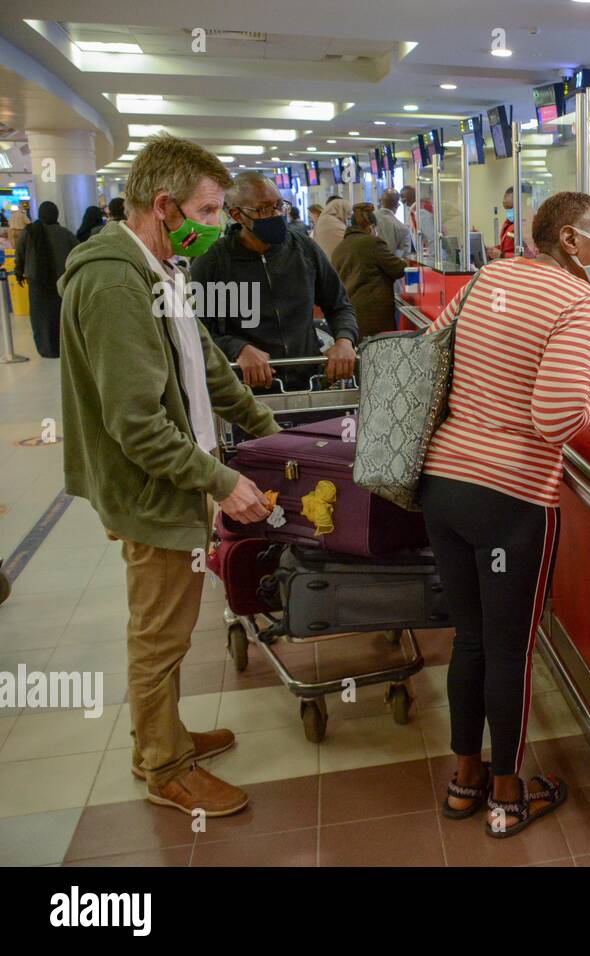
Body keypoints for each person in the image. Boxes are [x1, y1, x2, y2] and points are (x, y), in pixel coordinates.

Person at [58, 133, 278, 817]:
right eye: (209, 211)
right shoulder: (115, 283)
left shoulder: (159, 268)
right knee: (160, 635)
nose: (219, 225)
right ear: (163, 205)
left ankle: (167, 735)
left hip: (178, 484)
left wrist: (272, 434)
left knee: (172, 630)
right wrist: (220, 481)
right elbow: (135, 424)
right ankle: (163, 766)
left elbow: (205, 364)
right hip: (153, 492)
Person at [420, 191, 590, 838]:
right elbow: (559, 418)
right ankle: (508, 798)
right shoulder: (576, 300)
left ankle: (465, 781)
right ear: (571, 240)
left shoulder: (489, 275)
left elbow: (432, 349)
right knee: (510, 651)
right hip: (509, 499)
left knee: (472, 640)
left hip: (444, 484)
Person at [190, 173, 358, 390]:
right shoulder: (213, 261)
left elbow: (339, 305)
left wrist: (344, 340)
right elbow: (196, 329)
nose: (276, 214)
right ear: (237, 214)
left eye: (280, 205)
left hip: (309, 385)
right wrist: (237, 348)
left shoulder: (304, 249)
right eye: (264, 209)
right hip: (245, 392)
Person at [329, 203, 408, 339]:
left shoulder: (339, 248)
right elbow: (398, 269)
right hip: (374, 314)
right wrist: (405, 263)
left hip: (350, 313)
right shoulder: (373, 243)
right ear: (371, 227)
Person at [13, 201, 78, 358]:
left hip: (37, 282)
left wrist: (19, 272)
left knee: (40, 316)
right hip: (61, 282)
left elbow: (20, 254)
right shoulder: (65, 233)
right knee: (60, 315)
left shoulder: (30, 232)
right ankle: (62, 347)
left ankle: (45, 348)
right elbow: (77, 254)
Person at [374, 188, 414, 257]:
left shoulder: (367, 220)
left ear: (380, 202)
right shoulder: (402, 228)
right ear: (397, 205)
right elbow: (404, 257)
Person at [399, 185, 436, 256]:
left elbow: (432, 238)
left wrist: (431, 259)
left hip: (432, 257)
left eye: (401, 197)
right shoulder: (416, 210)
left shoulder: (420, 212)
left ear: (404, 200)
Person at [486, 186, 517, 260]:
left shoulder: (529, 226)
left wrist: (502, 255)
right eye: (506, 208)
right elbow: (507, 248)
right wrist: (492, 250)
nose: (508, 212)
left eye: (510, 207)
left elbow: (528, 256)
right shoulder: (509, 223)